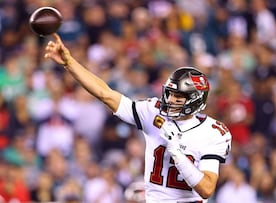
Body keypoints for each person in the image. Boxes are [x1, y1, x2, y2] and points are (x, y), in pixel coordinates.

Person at [44, 34, 232, 203]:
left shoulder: (213, 133)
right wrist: (70, 63)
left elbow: (207, 189)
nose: (170, 100)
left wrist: (177, 153)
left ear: (195, 100)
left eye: (178, 97)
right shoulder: (153, 112)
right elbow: (106, 94)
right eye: (169, 94)